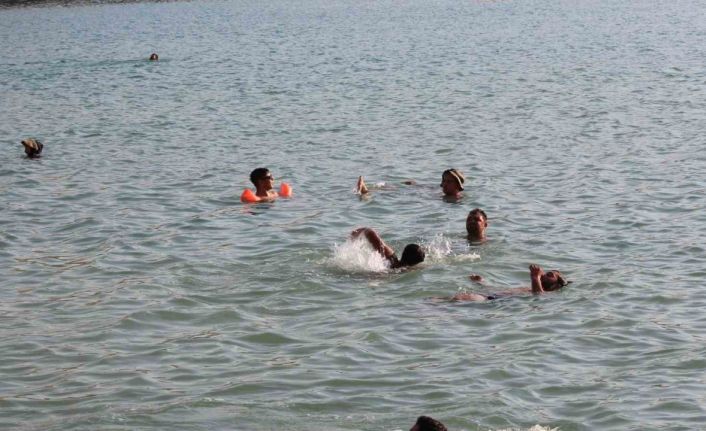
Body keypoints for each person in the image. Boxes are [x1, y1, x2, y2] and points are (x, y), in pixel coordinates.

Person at [450, 264, 569, 301]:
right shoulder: (527, 288)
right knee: (452, 299)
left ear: (556, 285)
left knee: (456, 299)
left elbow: (538, 297)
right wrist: (481, 283)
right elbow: (500, 291)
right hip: (491, 297)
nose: (545, 274)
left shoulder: (547, 294)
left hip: (491, 300)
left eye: (550, 275)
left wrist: (535, 277)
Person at [351, 227, 425, 269]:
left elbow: (369, 231)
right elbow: (369, 231)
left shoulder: (391, 260)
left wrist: (352, 238)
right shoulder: (390, 258)